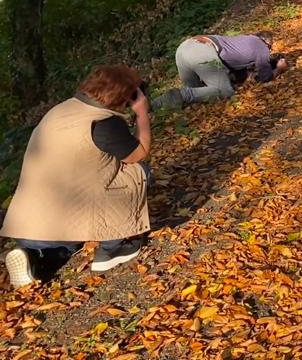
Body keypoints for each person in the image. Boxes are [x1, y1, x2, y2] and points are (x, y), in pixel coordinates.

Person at [2, 65, 152, 287]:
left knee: (67, 243)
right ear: (124, 95)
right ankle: (112, 249)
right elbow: (138, 153)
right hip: (64, 219)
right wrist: (141, 113)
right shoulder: (102, 122)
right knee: (139, 171)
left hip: (28, 224)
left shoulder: (60, 110)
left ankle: (34, 258)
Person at [152, 32, 287, 109]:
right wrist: (279, 69)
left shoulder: (243, 41)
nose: (269, 51)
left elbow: (239, 72)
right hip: (202, 50)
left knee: (197, 96)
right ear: (266, 41)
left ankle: (152, 106)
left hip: (183, 49)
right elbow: (266, 77)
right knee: (225, 91)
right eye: (270, 47)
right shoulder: (261, 45)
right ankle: (181, 94)